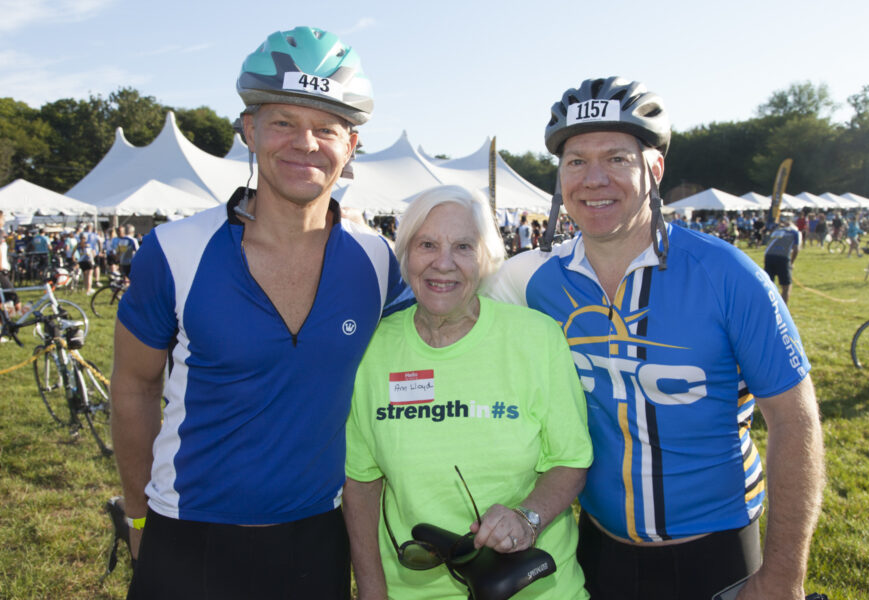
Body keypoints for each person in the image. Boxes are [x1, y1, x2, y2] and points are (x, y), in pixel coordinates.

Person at [483, 76, 825, 600]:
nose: (594, 178)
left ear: (655, 168)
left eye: (617, 158)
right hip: (599, 551)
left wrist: (783, 575)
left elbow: (794, 420)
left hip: (719, 552)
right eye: (576, 161)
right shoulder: (533, 281)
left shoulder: (726, 273)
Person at [110, 26, 412, 599]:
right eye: (283, 123)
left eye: (326, 128)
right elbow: (132, 388)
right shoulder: (174, 250)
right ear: (249, 130)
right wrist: (139, 517)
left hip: (317, 540)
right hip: (188, 535)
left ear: (351, 146)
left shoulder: (378, 260)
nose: (305, 143)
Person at [343, 185, 592, 600]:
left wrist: (527, 519)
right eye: (426, 244)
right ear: (405, 255)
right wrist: (371, 591)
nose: (443, 263)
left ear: (487, 258)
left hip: (535, 591)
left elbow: (570, 461)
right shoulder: (372, 351)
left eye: (463, 246)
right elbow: (361, 484)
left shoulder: (536, 338)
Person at [764, 214, 801, 304]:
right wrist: (791, 262)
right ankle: (783, 312)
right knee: (786, 287)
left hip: (769, 256)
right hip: (783, 257)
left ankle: (766, 306)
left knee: (768, 285)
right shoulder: (795, 232)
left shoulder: (777, 230)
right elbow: (796, 249)